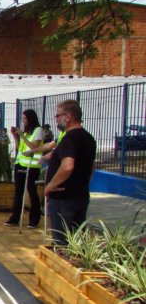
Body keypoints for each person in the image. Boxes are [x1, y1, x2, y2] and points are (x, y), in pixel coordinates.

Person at [45, 100, 96, 245]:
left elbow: (67, 166)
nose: (56, 119)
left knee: (62, 241)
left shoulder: (69, 138)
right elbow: (90, 167)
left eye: (57, 115)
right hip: (80, 196)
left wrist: (50, 186)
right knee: (76, 242)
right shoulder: (89, 138)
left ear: (68, 116)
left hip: (64, 199)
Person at [5, 109, 44, 228]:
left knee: (32, 192)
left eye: (25, 119)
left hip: (32, 166)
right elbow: (19, 148)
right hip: (20, 164)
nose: (24, 121)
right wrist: (15, 136)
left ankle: (34, 219)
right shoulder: (26, 133)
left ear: (31, 119)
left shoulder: (38, 130)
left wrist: (21, 135)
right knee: (18, 192)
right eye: (23, 119)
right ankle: (14, 218)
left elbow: (34, 147)